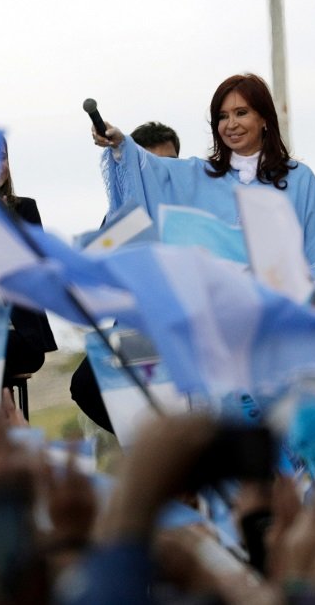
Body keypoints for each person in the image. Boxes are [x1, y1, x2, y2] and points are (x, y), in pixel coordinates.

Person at [91, 74, 315, 344]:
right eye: (223, 117)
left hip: (283, 328)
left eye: (241, 113)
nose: (231, 124)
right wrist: (120, 145)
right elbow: (152, 172)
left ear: (264, 118)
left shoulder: (298, 179)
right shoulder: (198, 175)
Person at [71, 121, 182, 434]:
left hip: (185, 331)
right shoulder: (123, 214)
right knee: (85, 384)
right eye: (149, 164)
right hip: (137, 331)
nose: (160, 173)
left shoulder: (190, 209)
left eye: (169, 163)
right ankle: (150, 446)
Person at [0, 140, 58, 382]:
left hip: (21, 334)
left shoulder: (24, 209)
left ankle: (0, 415)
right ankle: (5, 415)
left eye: (2, 157)